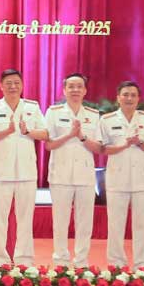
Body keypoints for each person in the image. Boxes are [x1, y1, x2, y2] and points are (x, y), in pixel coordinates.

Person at [0, 68, 47, 267]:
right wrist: (6, 130)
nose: (13, 86)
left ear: (22, 85)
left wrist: (29, 131)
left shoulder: (32, 107)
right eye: (8, 83)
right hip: (1, 173)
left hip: (26, 172)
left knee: (25, 219)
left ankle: (24, 260)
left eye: (17, 82)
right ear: (1, 86)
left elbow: (45, 134)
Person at [44, 73, 103, 268]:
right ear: (64, 90)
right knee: (60, 221)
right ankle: (60, 262)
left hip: (85, 176)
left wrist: (82, 137)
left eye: (79, 86)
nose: (75, 90)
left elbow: (99, 148)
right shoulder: (53, 112)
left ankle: (81, 262)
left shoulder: (94, 115)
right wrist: (70, 135)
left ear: (85, 91)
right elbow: (49, 145)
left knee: (85, 222)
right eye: (71, 86)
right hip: (60, 174)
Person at [100, 80, 144, 269]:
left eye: (133, 95)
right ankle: (116, 264)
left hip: (142, 178)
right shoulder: (107, 120)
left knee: (142, 224)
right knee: (116, 224)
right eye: (125, 94)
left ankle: (140, 264)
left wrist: (139, 142)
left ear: (138, 99)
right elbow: (103, 149)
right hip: (117, 177)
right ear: (118, 98)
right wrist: (122, 145)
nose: (129, 98)